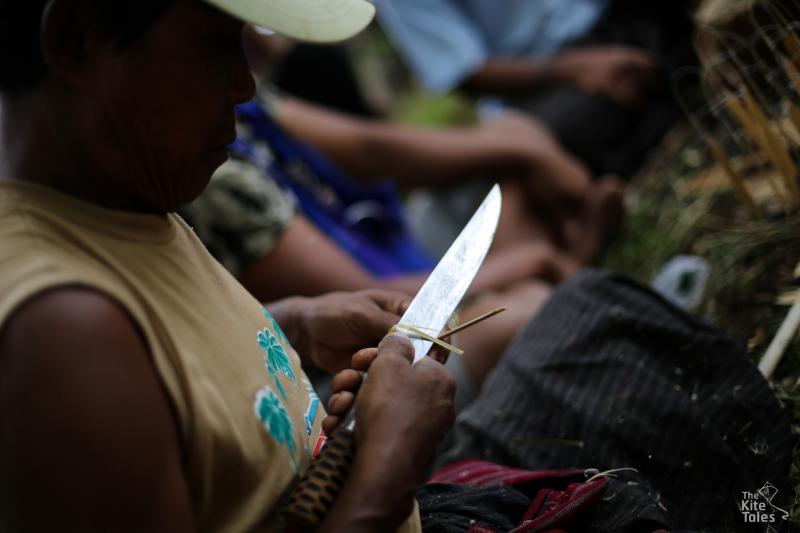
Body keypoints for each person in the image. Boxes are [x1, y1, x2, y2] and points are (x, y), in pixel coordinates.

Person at [0, 1, 791, 532]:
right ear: (75, 43)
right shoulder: (62, 335)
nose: (243, 86)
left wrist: (294, 324)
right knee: (597, 348)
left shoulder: (123, 192)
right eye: (214, 44)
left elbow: (170, 371)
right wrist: (385, 467)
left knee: (601, 319)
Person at [374, 0, 698, 177]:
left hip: (612, 16)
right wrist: (575, 69)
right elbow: (467, 73)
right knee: (565, 131)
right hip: (544, 82)